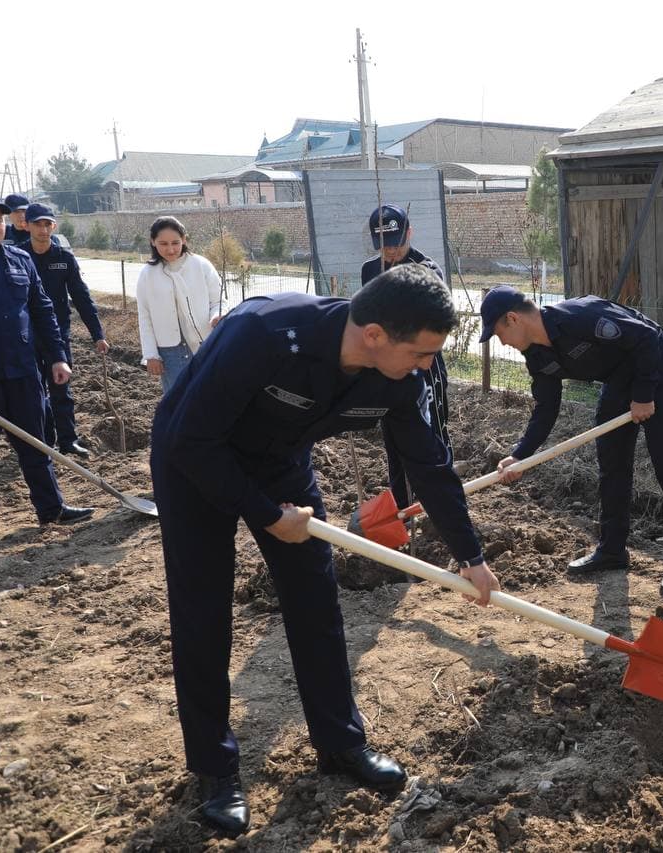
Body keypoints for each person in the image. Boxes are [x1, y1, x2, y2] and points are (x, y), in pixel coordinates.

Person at [149, 263, 500, 838]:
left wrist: (471, 555)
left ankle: (340, 744)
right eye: (422, 353)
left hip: (282, 464)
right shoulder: (266, 333)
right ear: (375, 335)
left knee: (316, 601)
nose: (428, 366)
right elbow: (192, 437)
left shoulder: (397, 379)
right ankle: (215, 769)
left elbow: (430, 467)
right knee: (203, 610)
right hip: (194, 458)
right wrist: (266, 516)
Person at [479, 286, 663, 594]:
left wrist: (644, 394)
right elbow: (546, 408)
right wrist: (520, 455)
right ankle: (612, 550)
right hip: (618, 379)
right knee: (612, 464)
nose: (501, 341)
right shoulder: (537, 355)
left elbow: (647, 339)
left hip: (653, 365)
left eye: (498, 333)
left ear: (513, 319)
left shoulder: (581, 317)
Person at [0, 193, 93, 551]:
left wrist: (58, 357)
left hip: (24, 374)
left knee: (37, 445)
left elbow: (43, 311)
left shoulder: (20, 259)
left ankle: (51, 508)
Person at [361, 203, 447, 516]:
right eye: (384, 244)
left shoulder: (427, 270)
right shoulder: (371, 271)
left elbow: (436, 323)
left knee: (432, 435)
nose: (391, 251)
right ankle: (401, 507)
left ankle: (440, 504)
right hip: (388, 371)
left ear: (409, 232)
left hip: (425, 367)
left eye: (397, 242)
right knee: (394, 439)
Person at [22, 203, 108, 457]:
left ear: (54, 226)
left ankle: (68, 441)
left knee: (62, 390)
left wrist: (98, 334)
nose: (43, 228)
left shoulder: (64, 259)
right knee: (34, 391)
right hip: (25, 337)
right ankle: (43, 442)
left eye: (47, 223)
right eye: (37, 223)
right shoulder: (17, 257)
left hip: (58, 336)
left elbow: (81, 298)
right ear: (26, 225)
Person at [135, 216, 222, 393]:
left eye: (175, 242)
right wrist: (151, 354)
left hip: (204, 342)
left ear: (184, 239)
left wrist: (217, 316)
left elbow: (219, 301)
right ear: (153, 242)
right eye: (163, 244)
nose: (171, 249)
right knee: (178, 400)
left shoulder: (200, 265)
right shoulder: (148, 274)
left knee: (210, 395)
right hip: (170, 350)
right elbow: (145, 316)